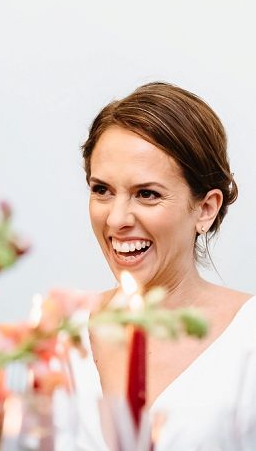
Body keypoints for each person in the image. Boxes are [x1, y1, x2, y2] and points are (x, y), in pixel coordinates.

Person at [67, 82, 255, 449]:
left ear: (206, 208)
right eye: (101, 190)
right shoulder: (60, 337)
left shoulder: (250, 341)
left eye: (147, 194)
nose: (117, 218)